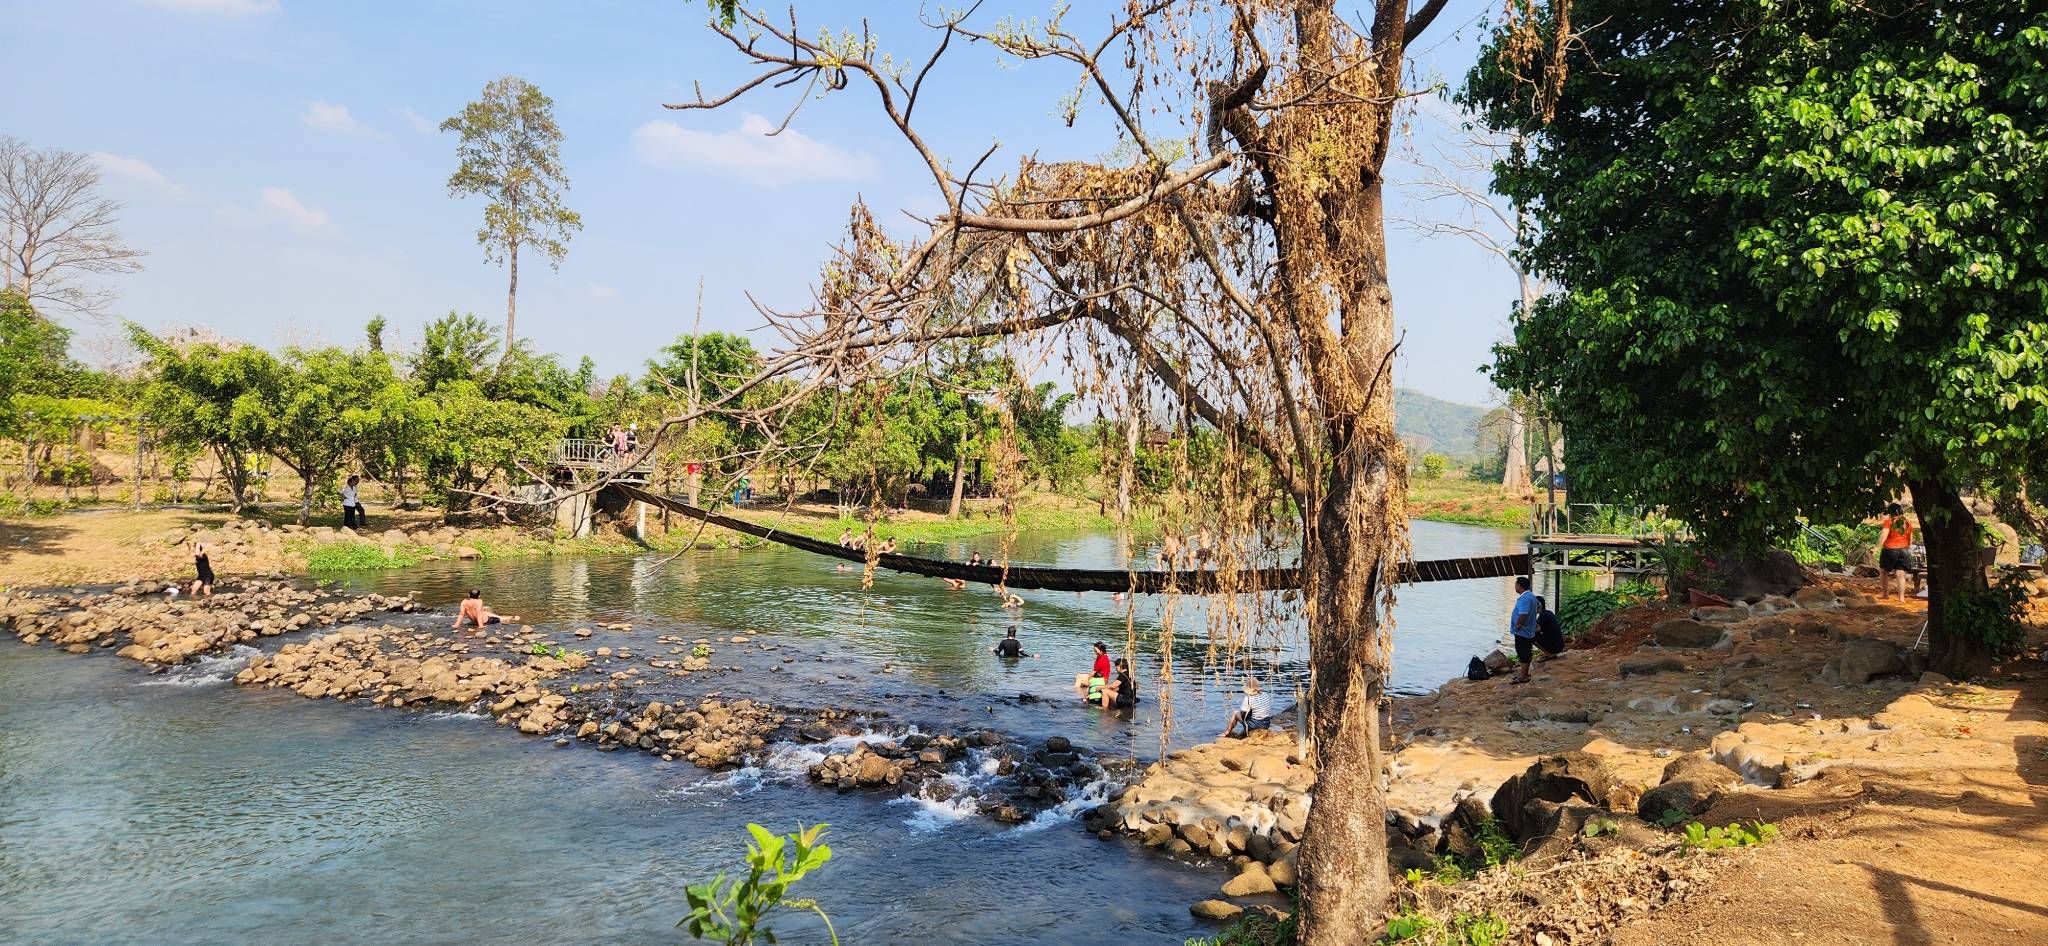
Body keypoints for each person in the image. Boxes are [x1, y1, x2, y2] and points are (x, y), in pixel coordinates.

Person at [1878, 502, 1915, 602]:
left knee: (1883, 571)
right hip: (1904, 550)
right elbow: (1910, 539)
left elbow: (1884, 536)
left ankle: (1885, 594)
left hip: (1890, 550)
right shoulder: (1907, 522)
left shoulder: (1889, 522)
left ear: (1890, 512)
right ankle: (1901, 598)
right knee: (1901, 574)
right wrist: (1906, 547)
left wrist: (1878, 546)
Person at [1508, 576, 1541, 683]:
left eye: (1515, 584)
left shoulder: (1524, 598)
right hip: (1528, 630)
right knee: (1526, 652)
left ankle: (1523, 677)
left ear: (1519, 586)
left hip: (1523, 631)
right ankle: (1524, 674)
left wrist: (1518, 624)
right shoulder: (1531, 596)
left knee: (1523, 653)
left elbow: (1523, 613)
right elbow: (1539, 607)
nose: (1515, 586)